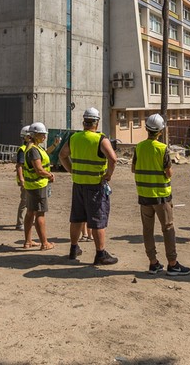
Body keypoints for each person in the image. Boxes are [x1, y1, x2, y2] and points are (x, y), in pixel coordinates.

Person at [59, 107, 119, 266]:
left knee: (77, 218)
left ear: (84, 121)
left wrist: (71, 169)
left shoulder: (74, 137)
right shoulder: (100, 139)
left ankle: (73, 249)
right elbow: (113, 159)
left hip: (78, 183)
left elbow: (62, 155)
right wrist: (109, 174)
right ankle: (100, 254)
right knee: (98, 220)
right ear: (97, 122)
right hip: (95, 186)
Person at [132, 114, 190, 276]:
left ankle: (153, 263)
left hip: (144, 196)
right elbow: (168, 173)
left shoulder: (139, 147)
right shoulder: (162, 148)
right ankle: (172, 264)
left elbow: (133, 169)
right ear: (160, 131)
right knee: (168, 228)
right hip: (161, 196)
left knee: (147, 230)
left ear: (147, 129)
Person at [22, 122, 55, 250]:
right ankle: (44, 243)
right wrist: (50, 175)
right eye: (42, 135)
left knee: (30, 213)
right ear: (35, 135)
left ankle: (28, 241)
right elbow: (39, 170)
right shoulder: (34, 150)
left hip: (32, 185)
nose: (44, 137)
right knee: (40, 214)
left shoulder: (34, 148)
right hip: (38, 185)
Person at [15, 125, 32, 231]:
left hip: (32, 179)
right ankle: (20, 223)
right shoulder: (23, 149)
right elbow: (19, 165)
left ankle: (29, 220)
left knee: (31, 201)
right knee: (24, 201)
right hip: (26, 179)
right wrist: (21, 179)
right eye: (29, 136)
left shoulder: (33, 148)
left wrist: (54, 145)